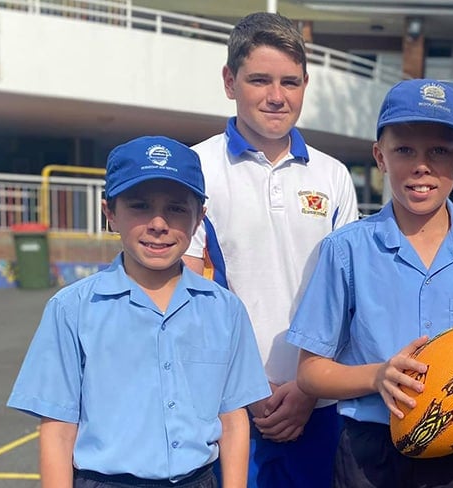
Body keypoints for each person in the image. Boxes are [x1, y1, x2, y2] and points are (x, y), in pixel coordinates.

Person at [286, 78, 453, 488]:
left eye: (438, 151)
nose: (421, 166)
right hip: (368, 450)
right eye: (404, 149)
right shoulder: (345, 250)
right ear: (380, 156)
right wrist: (377, 377)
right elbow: (310, 373)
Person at [7, 135, 272, 487]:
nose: (159, 223)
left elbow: (234, 418)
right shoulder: (71, 310)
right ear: (110, 214)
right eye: (139, 206)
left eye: (177, 208)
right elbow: (57, 430)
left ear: (199, 220)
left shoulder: (224, 309)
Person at [181, 11, 359, 488]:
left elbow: (346, 297)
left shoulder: (334, 176)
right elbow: (189, 295)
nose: (277, 96)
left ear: (305, 85)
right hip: (228, 404)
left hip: (317, 404)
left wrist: (306, 388)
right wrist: (247, 388)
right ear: (229, 81)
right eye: (259, 80)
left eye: (290, 82)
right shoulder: (195, 168)